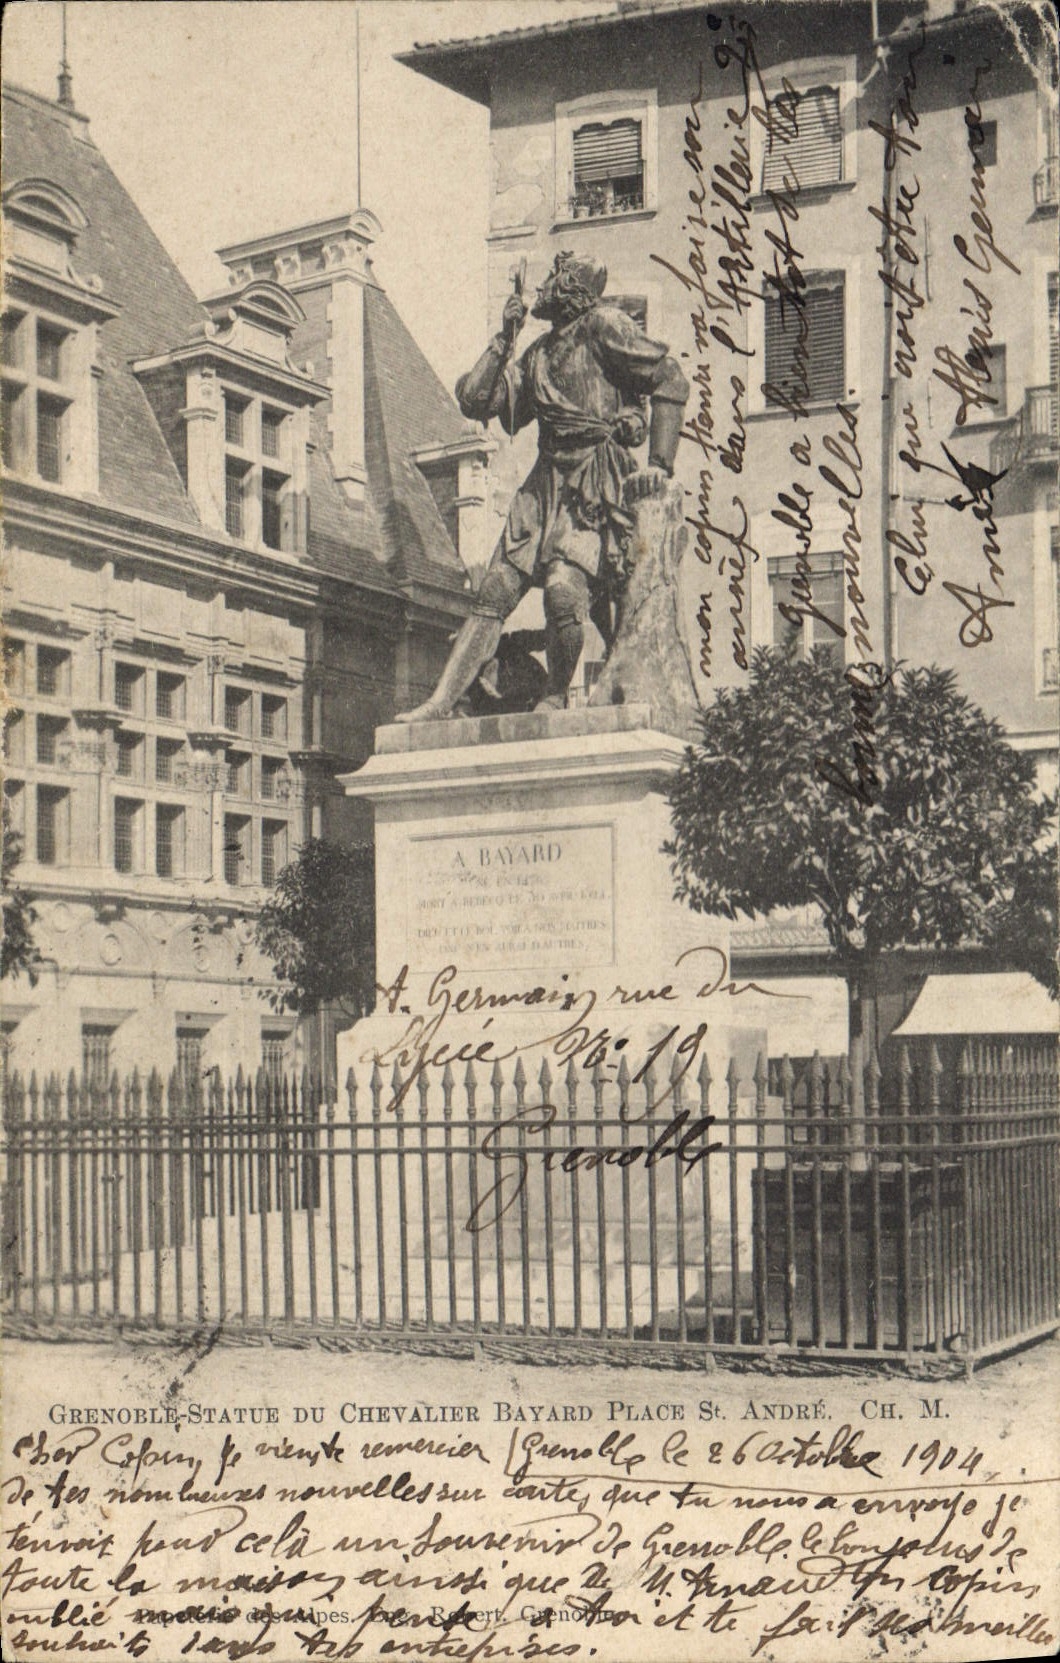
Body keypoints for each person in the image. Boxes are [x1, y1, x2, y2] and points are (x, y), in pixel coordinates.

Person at [395, 251, 689, 722]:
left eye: (553, 276)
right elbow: (475, 401)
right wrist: (504, 339)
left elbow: (669, 376)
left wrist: (659, 464)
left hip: (594, 480)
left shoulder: (603, 326)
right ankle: (440, 702)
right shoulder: (537, 354)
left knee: (563, 592)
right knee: (493, 593)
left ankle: (554, 696)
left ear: (572, 285)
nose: (543, 285)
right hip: (543, 485)